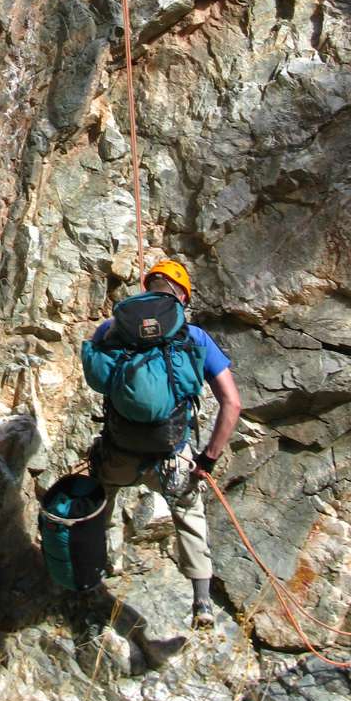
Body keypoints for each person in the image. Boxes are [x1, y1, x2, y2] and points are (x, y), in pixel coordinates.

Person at [87, 258, 241, 629]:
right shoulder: (195, 337)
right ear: (183, 297)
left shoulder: (112, 329)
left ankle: (99, 571)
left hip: (119, 453)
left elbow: (96, 371)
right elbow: (232, 403)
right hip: (172, 455)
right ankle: (202, 602)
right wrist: (209, 458)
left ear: (147, 288)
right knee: (189, 514)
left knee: (102, 496)